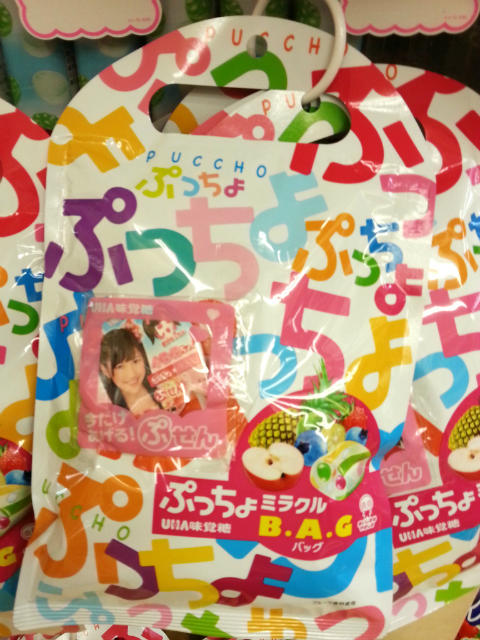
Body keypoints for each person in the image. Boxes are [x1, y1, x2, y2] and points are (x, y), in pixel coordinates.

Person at [99, 327, 161, 417]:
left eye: (135, 361)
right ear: (105, 370)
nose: (131, 374)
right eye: (120, 367)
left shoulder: (163, 385)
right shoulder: (108, 412)